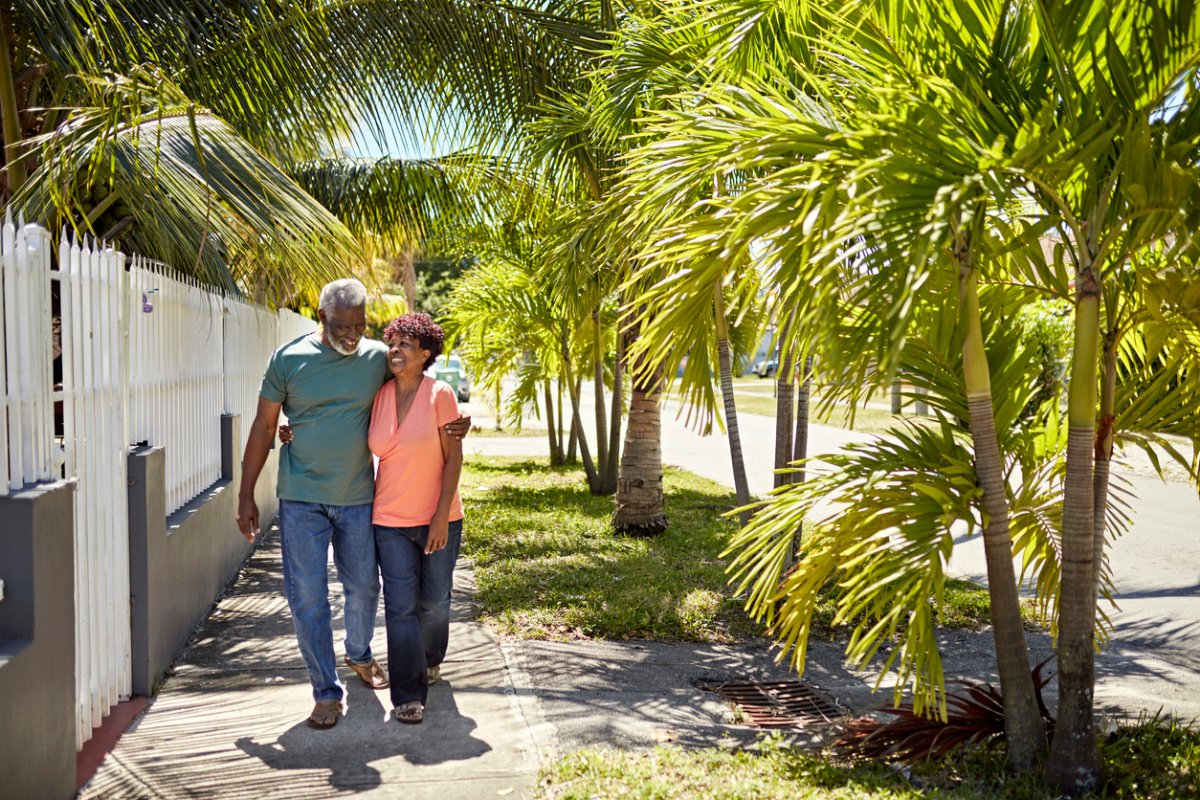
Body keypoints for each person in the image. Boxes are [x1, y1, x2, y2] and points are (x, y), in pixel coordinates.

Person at [234, 279, 469, 730]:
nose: (352, 335)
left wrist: (459, 422)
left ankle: (359, 653)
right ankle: (326, 692)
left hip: (360, 498)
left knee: (364, 588)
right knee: (307, 597)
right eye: (343, 326)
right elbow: (265, 427)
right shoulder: (287, 359)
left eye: (360, 326)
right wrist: (246, 493)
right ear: (322, 318)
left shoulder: (376, 359)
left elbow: (420, 383)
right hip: (301, 497)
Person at [369, 312, 465, 724]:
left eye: (405, 344)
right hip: (388, 519)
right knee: (400, 607)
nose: (394, 350)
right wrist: (293, 431)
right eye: (392, 342)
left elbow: (453, 457)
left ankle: (429, 658)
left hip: (438, 518)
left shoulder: (439, 393)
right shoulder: (378, 394)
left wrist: (441, 517)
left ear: (425, 354)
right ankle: (408, 694)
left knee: (435, 602)